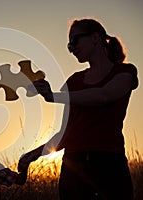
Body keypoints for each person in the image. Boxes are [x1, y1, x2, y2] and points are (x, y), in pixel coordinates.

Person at [18, 18, 138, 200]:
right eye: (69, 45)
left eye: (75, 41)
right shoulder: (73, 82)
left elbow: (104, 96)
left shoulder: (125, 72)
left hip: (108, 165)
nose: (72, 48)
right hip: (73, 168)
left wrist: (54, 96)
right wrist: (33, 155)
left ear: (96, 38)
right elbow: (66, 134)